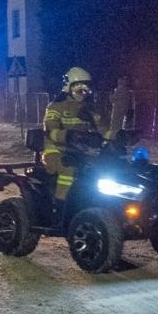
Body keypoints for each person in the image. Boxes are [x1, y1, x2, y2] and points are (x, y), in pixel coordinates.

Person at [42, 66, 109, 208]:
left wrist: (119, 135)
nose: (84, 92)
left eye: (86, 89)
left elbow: (102, 127)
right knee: (69, 170)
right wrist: (69, 135)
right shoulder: (56, 107)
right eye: (80, 88)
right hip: (56, 151)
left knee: (106, 169)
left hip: (81, 151)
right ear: (69, 86)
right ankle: (60, 204)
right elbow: (50, 131)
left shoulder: (89, 108)